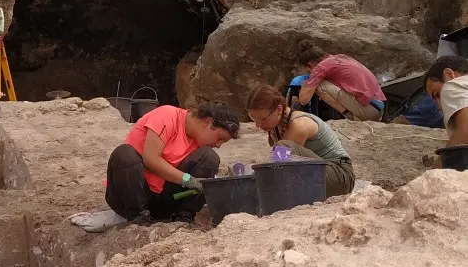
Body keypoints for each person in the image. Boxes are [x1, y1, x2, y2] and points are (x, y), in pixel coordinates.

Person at [105, 103, 240, 224]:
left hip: (164, 202)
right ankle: (138, 218)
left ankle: (184, 216)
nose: (218, 145)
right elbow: (151, 159)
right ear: (208, 122)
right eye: (220, 138)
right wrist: (189, 180)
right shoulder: (167, 116)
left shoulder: (199, 142)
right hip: (130, 197)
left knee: (210, 158)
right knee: (124, 154)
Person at [246, 84, 355, 197]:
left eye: (262, 119)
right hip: (320, 174)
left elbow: (279, 167)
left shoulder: (299, 124)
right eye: (254, 119)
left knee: (283, 150)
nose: (258, 125)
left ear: (279, 109)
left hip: (340, 178)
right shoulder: (275, 126)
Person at [295, 40, 386, 122]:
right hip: (379, 107)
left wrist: (306, 84)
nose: (309, 73)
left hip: (370, 111)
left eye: (308, 70)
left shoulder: (320, 67)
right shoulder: (341, 57)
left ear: (310, 64)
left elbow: (304, 100)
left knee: (320, 85)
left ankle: (351, 117)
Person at [423, 55, 468, 145]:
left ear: (449, 75)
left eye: (437, 94)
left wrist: (444, 157)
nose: (439, 106)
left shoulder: (450, 86)